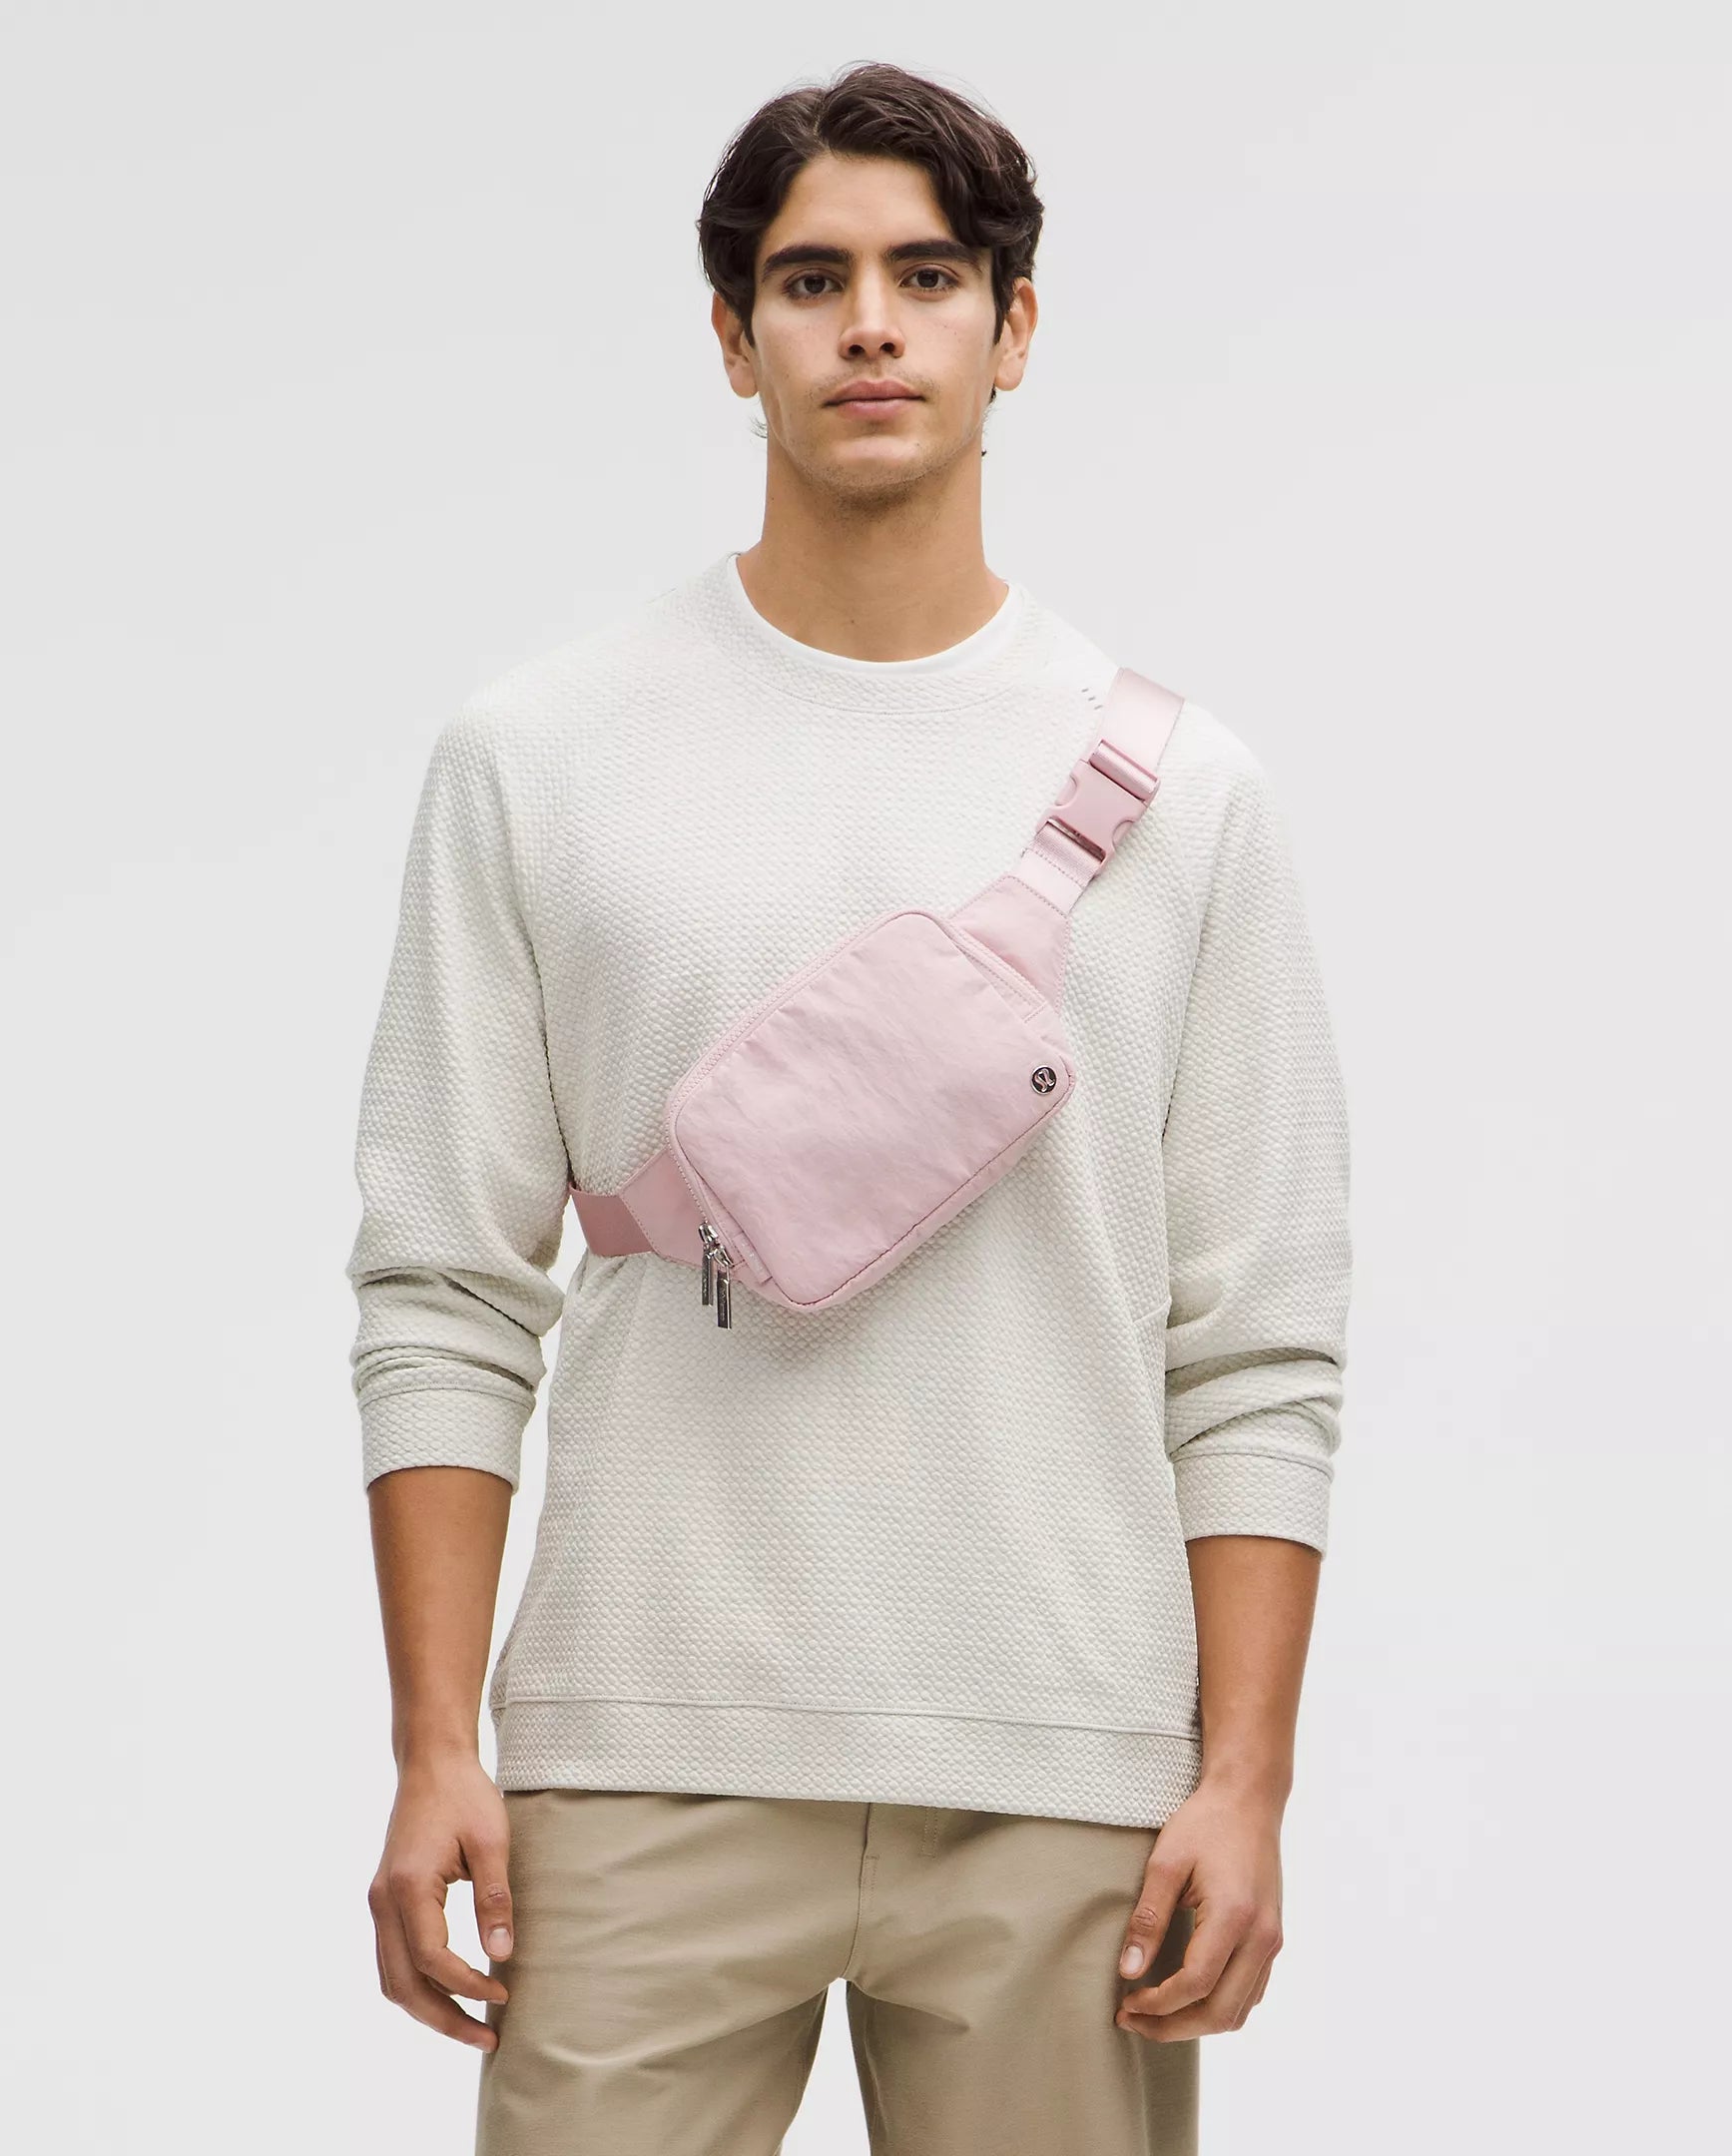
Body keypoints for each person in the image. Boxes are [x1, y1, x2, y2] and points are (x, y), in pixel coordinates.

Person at [344, 58, 1352, 2156]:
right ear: (735, 340)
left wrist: (1245, 1777)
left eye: (929, 275)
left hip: (1066, 1765)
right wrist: (436, 1746)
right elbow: (444, 1285)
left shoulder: (1191, 800)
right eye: (811, 282)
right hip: (639, 1746)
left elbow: (1257, 1341)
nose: (871, 327)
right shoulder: (539, 756)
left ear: (1014, 326)